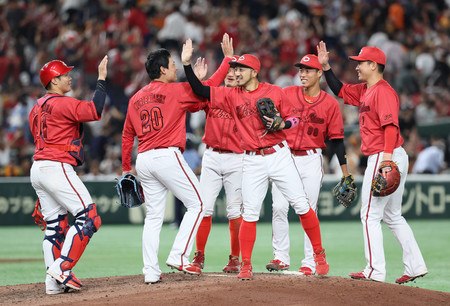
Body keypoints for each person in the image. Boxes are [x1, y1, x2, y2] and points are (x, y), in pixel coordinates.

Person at [182, 39, 329, 280]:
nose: (236, 72)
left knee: (301, 205)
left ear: (254, 72)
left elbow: (294, 119)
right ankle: (246, 264)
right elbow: (200, 91)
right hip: (251, 160)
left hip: (279, 155)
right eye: (235, 68)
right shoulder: (231, 95)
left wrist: (282, 123)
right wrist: (187, 65)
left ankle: (319, 254)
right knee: (249, 213)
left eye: (240, 69)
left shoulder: (274, 91)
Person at [121, 34, 233, 284]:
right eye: (172, 64)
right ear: (162, 69)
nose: (175, 67)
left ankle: (150, 271)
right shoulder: (176, 90)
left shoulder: (135, 98)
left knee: (153, 217)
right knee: (198, 204)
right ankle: (179, 255)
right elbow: (210, 89)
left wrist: (126, 169)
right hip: (166, 155)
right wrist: (226, 61)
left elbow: (127, 135)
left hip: (145, 160)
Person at [317, 41, 428, 284]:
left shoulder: (383, 91)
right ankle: (416, 265)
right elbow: (339, 89)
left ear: (374, 65)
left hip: (384, 154)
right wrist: (326, 67)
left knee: (369, 215)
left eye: (360, 63)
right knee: (393, 216)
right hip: (387, 154)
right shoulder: (366, 89)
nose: (356, 67)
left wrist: (386, 160)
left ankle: (374, 270)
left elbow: (390, 127)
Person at [29, 56, 108, 294]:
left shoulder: (35, 108)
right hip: (57, 166)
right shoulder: (62, 102)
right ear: (54, 81)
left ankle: (52, 284)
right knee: (89, 218)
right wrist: (102, 79)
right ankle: (62, 269)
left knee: (55, 227)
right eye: (64, 75)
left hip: (39, 168)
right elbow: (95, 110)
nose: (69, 77)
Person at [266, 54, 351, 275]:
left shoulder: (331, 104)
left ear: (319, 73)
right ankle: (280, 257)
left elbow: (337, 141)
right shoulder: (287, 93)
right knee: (279, 207)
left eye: (307, 70)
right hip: (284, 156)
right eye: (300, 70)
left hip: (312, 158)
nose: (302, 74)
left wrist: (345, 172)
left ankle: (309, 261)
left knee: (309, 211)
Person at [190, 56, 244, 273]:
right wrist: (201, 82)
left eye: (236, 70)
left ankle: (235, 259)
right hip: (212, 156)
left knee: (234, 211)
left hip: (237, 157)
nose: (231, 74)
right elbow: (194, 106)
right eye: (229, 70)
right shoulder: (213, 95)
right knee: (204, 208)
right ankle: (199, 256)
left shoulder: (245, 98)